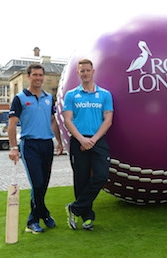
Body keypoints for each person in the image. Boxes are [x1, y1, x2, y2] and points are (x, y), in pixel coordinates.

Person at [8, 63, 63, 234]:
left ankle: (41, 215)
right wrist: (13, 147)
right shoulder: (20, 98)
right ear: (29, 76)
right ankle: (36, 219)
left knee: (43, 184)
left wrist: (59, 142)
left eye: (41, 75)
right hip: (29, 145)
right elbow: (12, 124)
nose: (38, 78)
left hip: (47, 145)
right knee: (37, 183)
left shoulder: (48, 98)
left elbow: (53, 121)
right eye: (35, 75)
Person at [63, 59, 113, 231]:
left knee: (101, 176)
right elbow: (68, 120)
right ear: (78, 73)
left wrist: (93, 140)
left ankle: (74, 208)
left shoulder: (105, 94)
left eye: (87, 70)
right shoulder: (71, 95)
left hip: (98, 140)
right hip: (78, 140)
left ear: (93, 71)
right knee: (81, 180)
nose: (85, 73)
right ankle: (87, 217)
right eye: (82, 71)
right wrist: (82, 140)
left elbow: (108, 120)